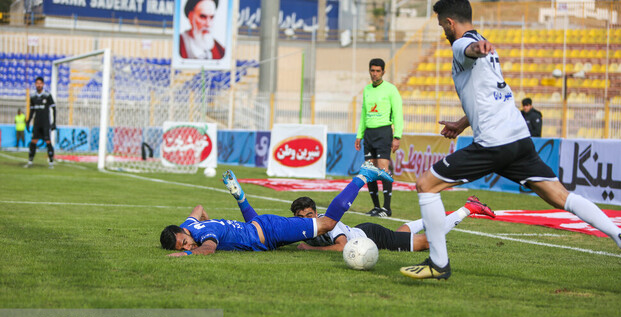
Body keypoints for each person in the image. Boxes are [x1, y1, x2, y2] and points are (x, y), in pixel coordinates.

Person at [400, 0, 621, 280]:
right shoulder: (488, 47)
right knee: (561, 196)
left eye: (442, 25)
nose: (442, 31)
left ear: (451, 23)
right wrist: (462, 123)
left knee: (425, 185)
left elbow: (469, 50)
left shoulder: (463, 45)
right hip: (519, 138)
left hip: (494, 142)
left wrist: (477, 49)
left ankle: (438, 264)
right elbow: (490, 93)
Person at [160, 162, 393, 256]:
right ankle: (241, 197)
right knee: (252, 228)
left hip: (271, 231)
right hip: (258, 226)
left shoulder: (199, 234)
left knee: (328, 224)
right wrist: (204, 220)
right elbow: (199, 208)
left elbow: (209, 249)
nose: (188, 245)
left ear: (185, 233)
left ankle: (363, 176)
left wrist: (186, 254)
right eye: (184, 246)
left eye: (184, 242)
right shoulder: (189, 226)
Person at [288, 195, 495, 252]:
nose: (307, 221)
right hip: (364, 231)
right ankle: (432, 218)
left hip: (371, 237)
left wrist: (309, 249)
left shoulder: (328, 222)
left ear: (316, 213)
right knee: (400, 236)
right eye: (302, 217)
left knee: (426, 243)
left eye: (310, 215)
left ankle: (468, 208)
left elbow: (342, 246)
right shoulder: (300, 227)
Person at [355, 58, 404, 218]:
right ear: (369, 71)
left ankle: (386, 208)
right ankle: (376, 207)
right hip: (369, 134)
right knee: (369, 170)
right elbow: (363, 114)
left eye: (378, 71)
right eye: (372, 70)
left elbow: (398, 113)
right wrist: (359, 135)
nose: (375, 73)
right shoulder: (367, 89)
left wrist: (397, 136)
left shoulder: (391, 89)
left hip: (384, 132)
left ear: (383, 72)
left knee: (383, 168)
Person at [25, 76, 56, 169]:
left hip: (45, 123)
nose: (38, 85)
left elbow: (54, 108)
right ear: (35, 84)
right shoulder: (33, 97)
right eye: (37, 83)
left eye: (40, 83)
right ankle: (30, 161)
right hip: (37, 123)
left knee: (48, 141)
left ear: (43, 84)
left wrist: (54, 122)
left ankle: (51, 162)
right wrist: (28, 121)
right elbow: (32, 111)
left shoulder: (47, 95)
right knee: (33, 141)